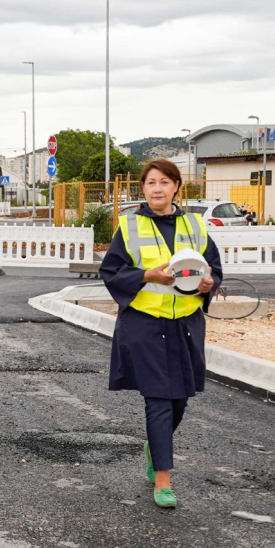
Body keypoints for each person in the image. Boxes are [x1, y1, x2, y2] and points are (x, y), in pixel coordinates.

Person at [100, 159, 223, 509]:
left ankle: (155, 446)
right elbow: (111, 271)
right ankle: (164, 481)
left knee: (180, 399)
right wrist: (146, 276)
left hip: (186, 325)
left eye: (165, 182)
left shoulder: (195, 225)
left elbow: (213, 268)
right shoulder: (129, 226)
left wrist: (210, 284)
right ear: (143, 189)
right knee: (157, 399)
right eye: (151, 182)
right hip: (144, 326)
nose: (157, 188)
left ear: (176, 187)